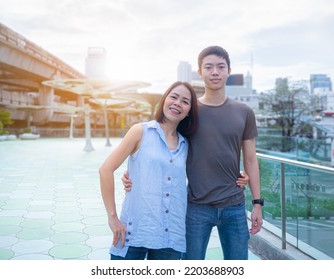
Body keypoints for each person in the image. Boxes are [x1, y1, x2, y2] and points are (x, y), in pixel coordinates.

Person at [123, 46, 262, 260]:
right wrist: (132, 173)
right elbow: (161, 144)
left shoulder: (244, 112)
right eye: (208, 67)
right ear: (200, 72)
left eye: (220, 67)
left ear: (228, 71)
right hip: (196, 207)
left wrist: (257, 203)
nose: (214, 72)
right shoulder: (189, 112)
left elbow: (251, 160)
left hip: (234, 205)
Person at [99, 81, 199, 260]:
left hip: (171, 235)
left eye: (185, 101)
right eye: (174, 97)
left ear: (189, 111)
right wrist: (112, 217)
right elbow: (105, 170)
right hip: (134, 230)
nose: (177, 103)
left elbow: (205, 171)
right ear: (164, 100)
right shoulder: (140, 131)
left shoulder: (187, 144)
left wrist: (238, 175)